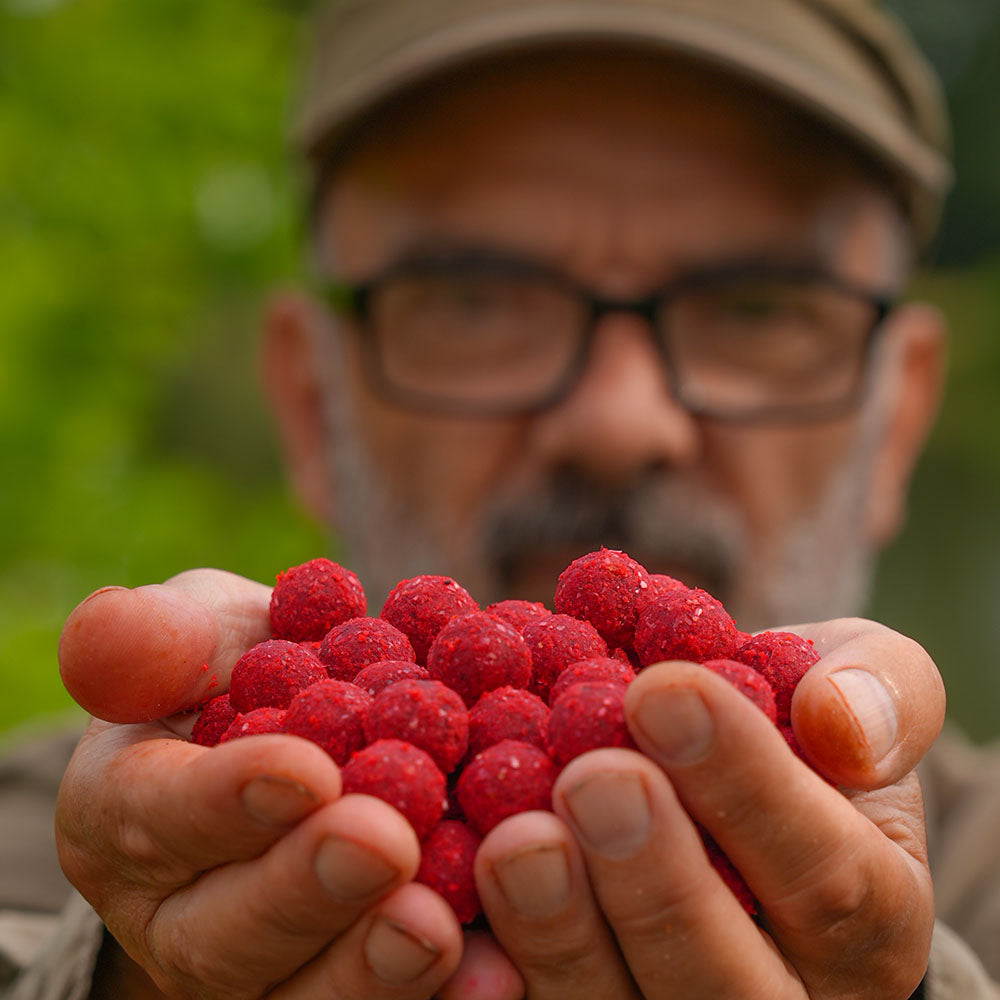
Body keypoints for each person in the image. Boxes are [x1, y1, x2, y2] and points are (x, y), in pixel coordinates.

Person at [3, 0, 999, 997]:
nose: (619, 422)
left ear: (898, 424)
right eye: (477, 295)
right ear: (309, 405)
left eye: (755, 306)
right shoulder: (44, 830)